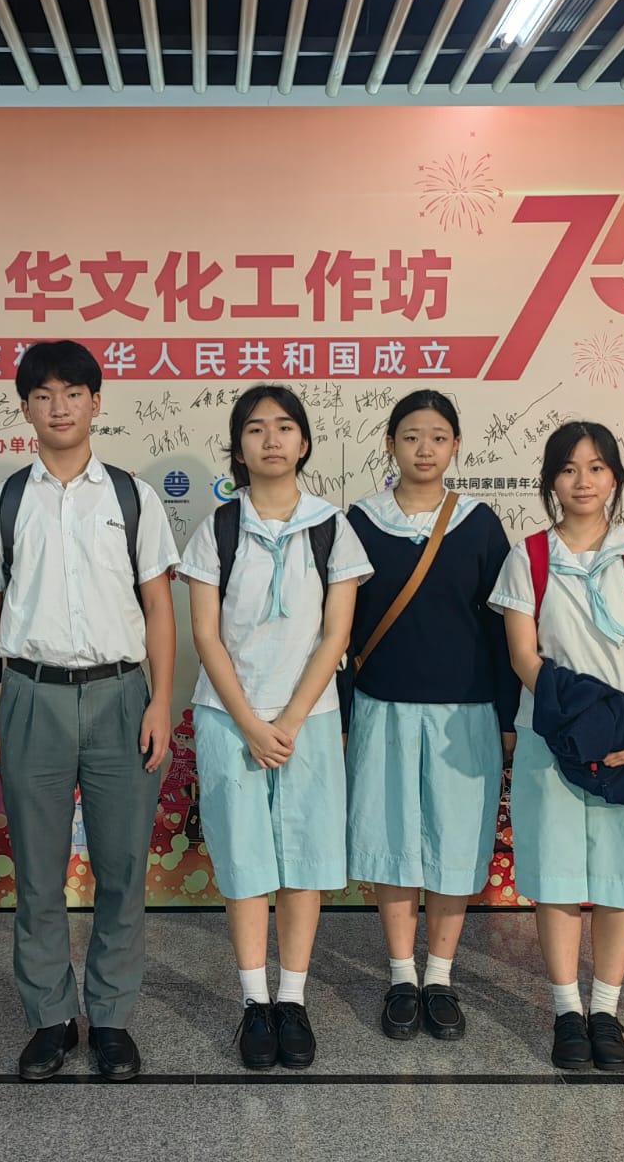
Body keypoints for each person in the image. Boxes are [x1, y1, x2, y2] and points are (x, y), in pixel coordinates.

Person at [0, 340, 179, 1082]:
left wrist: (161, 700)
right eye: (43, 395)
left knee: (122, 869)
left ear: (96, 402)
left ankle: (112, 1017)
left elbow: (159, 605)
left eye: (73, 393)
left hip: (122, 696)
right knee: (37, 874)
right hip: (30, 697)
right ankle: (51, 1018)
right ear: (25, 408)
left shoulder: (131, 496)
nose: (59, 407)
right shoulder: (2, 502)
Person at [180, 385, 371, 1069]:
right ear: (238, 447)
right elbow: (206, 635)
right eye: (256, 429)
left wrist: (287, 721)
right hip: (228, 718)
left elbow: (336, 634)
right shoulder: (218, 528)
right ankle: (254, 1002)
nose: (270, 439)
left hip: (308, 721)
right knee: (246, 863)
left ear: (304, 442)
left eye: (284, 427)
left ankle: (293, 998)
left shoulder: (331, 528)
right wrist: (251, 724)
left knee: (303, 862)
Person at [489, 422, 624, 1071]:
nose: (583, 481)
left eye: (596, 468)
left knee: (621, 877)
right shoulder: (530, 556)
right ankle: (567, 1012)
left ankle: (606, 1010)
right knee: (558, 877)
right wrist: (581, 726)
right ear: (551, 480)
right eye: (569, 469)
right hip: (553, 738)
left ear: (615, 478)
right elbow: (523, 655)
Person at [344, 390, 519, 1043]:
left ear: (456, 446)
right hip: (381, 706)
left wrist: (507, 715)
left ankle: (440, 977)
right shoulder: (361, 521)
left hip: (464, 714)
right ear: (391, 444)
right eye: (411, 436)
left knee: (454, 842)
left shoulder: (479, 524)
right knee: (392, 844)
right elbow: (339, 631)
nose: (424, 449)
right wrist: (340, 713)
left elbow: (504, 630)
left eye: (438, 437)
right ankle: (401, 977)